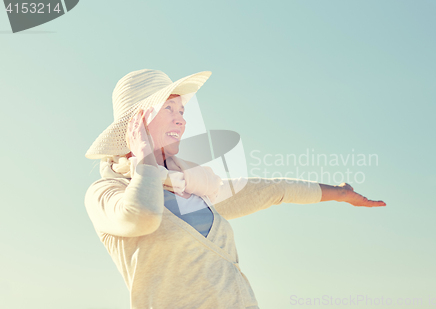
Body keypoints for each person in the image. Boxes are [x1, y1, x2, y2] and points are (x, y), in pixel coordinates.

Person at [84, 69, 386, 309]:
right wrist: (147, 159)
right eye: (170, 108)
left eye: (183, 110)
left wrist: (340, 193)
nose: (182, 118)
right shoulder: (106, 192)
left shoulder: (197, 184)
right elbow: (143, 215)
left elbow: (273, 190)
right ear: (139, 120)